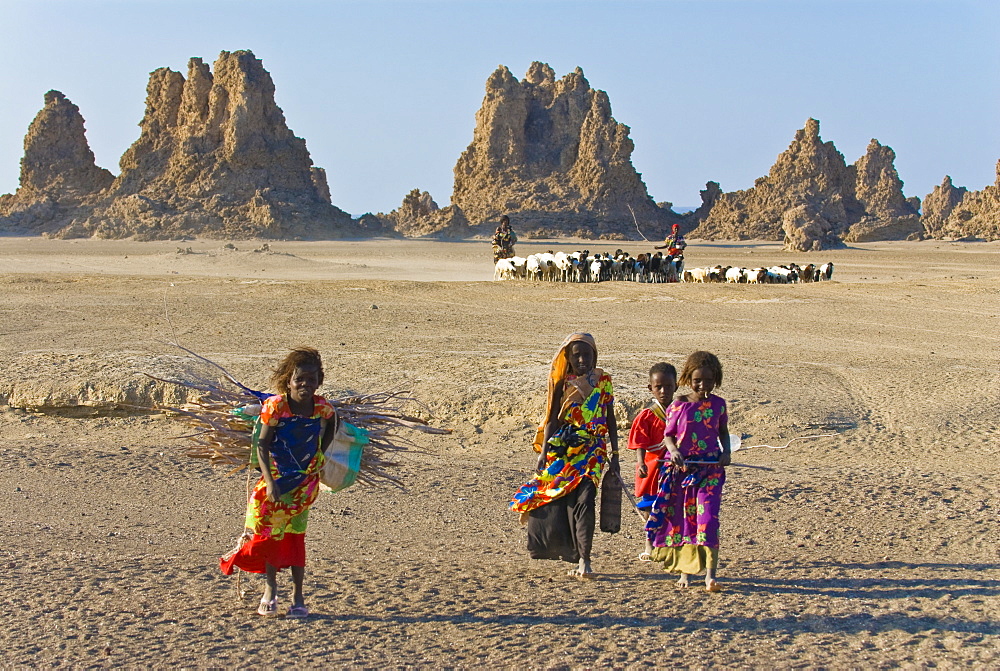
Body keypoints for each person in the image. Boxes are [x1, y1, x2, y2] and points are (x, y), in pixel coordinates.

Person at [220, 347, 338, 618]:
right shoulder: (276, 406)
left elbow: (331, 426)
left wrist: (318, 454)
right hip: (275, 482)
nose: (305, 385)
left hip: (303, 487)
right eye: (300, 379)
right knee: (268, 535)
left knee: (296, 537)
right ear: (289, 381)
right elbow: (262, 444)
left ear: (319, 381)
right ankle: (270, 591)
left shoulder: (322, 408)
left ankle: (298, 597)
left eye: (312, 379)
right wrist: (271, 482)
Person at [510, 333, 619, 578]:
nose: (582, 359)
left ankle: (585, 559)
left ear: (595, 355)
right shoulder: (563, 382)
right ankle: (567, 552)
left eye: (587, 354)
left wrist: (616, 454)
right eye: (576, 355)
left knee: (585, 499)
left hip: (593, 451)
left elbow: (609, 418)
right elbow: (552, 420)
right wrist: (544, 453)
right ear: (568, 358)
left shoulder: (603, 380)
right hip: (564, 450)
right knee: (554, 497)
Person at [645, 351, 731, 592]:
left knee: (708, 520)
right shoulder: (680, 404)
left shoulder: (718, 405)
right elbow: (669, 436)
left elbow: (723, 432)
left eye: (708, 380)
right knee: (685, 521)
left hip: (710, 470)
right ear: (687, 378)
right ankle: (686, 571)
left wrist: (727, 453)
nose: (703, 385)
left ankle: (710, 575)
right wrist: (672, 451)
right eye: (697, 380)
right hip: (682, 471)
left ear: (716, 380)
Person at [627, 362, 678, 562]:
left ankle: (670, 546)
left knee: (673, 507)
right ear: (651, 388)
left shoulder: (681, 412)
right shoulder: (647, 415)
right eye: (659, 387)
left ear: (676, 386)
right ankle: (649, 546)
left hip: (674, 469)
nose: (663, 391)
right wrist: (640, 464)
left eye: (668, 386)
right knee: (651, 509)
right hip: (652, 468)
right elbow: (640, 442)